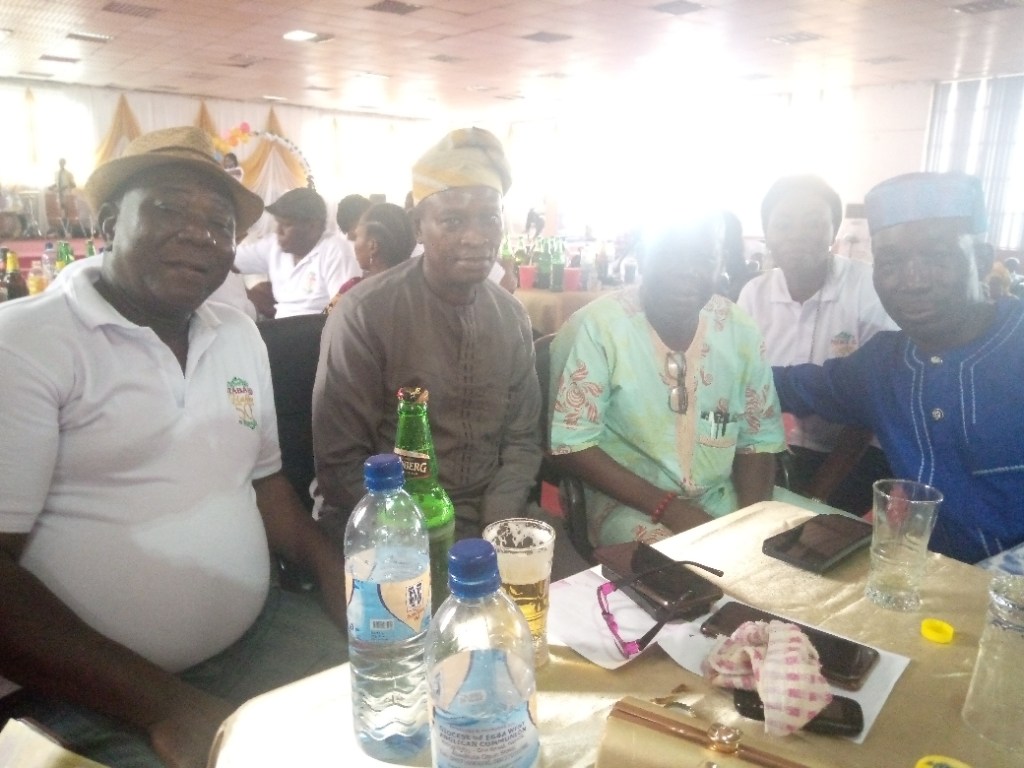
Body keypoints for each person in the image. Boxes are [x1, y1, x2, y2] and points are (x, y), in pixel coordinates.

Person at [0, 126, 347, 768]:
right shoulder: (26, 343)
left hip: (256, 637)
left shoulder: (237, 334)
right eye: (168, 209)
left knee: (391, 717)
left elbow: (265, 485)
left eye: (219, 223)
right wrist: (167, 707)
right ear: (109, 222)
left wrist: (341, 581)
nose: (198, 234)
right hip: (84, 689)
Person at [774, 171, 1024, 563]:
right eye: (890, 262)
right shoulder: (883, 366)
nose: (912, 281)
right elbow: (789, 385)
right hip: (924, 585)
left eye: (936, 256)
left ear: (979, 259)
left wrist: (996, 585)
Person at [313, 127, 541, 542]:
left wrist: (496, 529)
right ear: (418, 226)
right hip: (390, 522)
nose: (477, 237)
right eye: (453, 221)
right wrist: (427, 534)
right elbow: (341, 464)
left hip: (491, 517)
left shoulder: (511, 316)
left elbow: (522, 441)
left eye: (490, 218)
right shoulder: (365, 313)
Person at [548, 218, 785, 547]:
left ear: (721, 264)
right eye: (672, 254)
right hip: (627, 503)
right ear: (643, 256)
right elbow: (572, 446)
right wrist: (671, 510)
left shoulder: (739, 329)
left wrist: (752, 524)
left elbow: (757, 441)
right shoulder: (597, 328)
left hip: (722, 495)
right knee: (687, 567)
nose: (688, 271)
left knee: (814, 547)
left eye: (704, 258)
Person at [737, 175, 897, 515]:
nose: (798, 236)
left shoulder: (866, 289)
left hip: (856, 452)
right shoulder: (754, 295)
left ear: (833, 231)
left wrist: (817, 495)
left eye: (813, 223)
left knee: (823, 531)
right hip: (773, 446)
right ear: (767, 234)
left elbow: (873, 403)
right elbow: (743, 388)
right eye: (784, 225)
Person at [234, 187, 359, 318]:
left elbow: (341, 305)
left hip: (317, 326)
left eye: (286, 225)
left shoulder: (335, 251)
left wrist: (321, 328)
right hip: (282, 324)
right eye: (278, 223)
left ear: (312, 227)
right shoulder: (274, 246)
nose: (278, 231)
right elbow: (230, 259)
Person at [323, 202, 416, 315]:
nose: (354, 245)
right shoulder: (421, 290)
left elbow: (323, 320)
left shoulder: (352, 291)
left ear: (373, 246)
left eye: (357, 237)